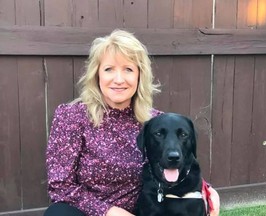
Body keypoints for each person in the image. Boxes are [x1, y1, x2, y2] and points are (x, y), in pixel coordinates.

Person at [44, 29, 220, 216]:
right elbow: (60, 186)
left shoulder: (155, 122)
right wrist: (110, 212)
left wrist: (207, 190)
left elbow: (179, 159)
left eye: (128, 69)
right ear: (97, 74)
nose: (118, 79)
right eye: (109, 69)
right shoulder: (72, 117)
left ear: (139, 76)